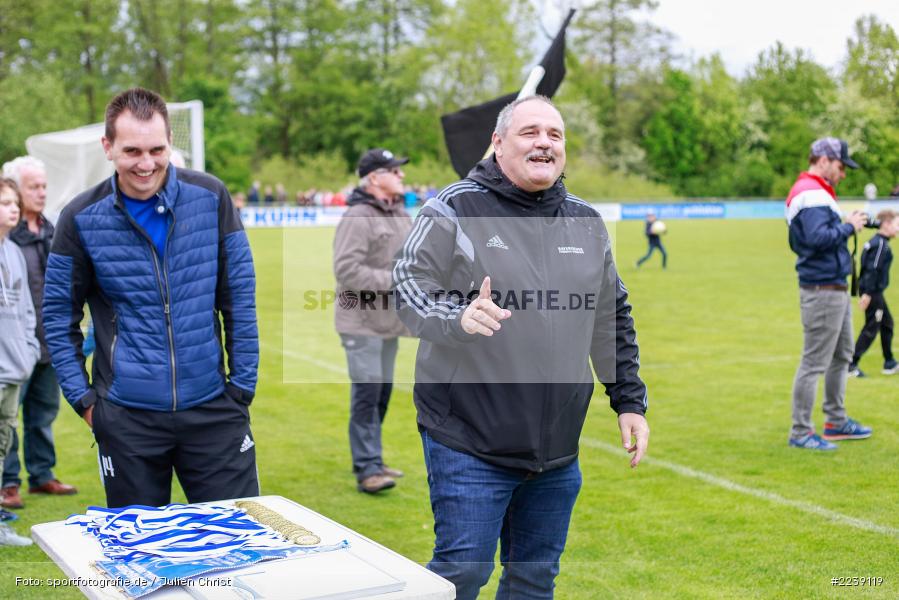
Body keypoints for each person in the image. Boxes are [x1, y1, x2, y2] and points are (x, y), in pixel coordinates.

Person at [393, 96, 649, 599]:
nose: (544, 143)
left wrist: (629, 400)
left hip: (556, 449)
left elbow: (610, 315)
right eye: (530, 132)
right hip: (469, 438)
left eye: (555, 135)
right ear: (498, 143)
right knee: (460, 575)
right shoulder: (454, 206)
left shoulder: (586, 221)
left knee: (534, 580)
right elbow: (407, 282)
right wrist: (458, 315)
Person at [42, 87, 260, 507]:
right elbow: (57, 315)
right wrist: (86, 402)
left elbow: (239, 299)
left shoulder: (212, 197)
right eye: (132, 151)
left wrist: (241, 388)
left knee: (238, 547)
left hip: (214, 410)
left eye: (156, 149)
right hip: (127, 419)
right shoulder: (79, 218)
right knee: (141, 558)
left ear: (170, 143)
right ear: (108, 147)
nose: (146, 164)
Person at [786, 137, 873, 451]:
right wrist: (849, 226)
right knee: (814, 362)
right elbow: (817, 238)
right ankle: (801, 431)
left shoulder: (814, 192)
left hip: (832, 286)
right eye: (840, 166)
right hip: (822, 288)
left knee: (841, 356)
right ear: (823, 160)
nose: (843, 173)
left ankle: (835, 421)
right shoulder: (810, 193)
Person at [333, 148, 412, 494]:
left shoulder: (400, 213)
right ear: (375, 178)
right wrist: (396, 281)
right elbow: (347, 270)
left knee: (381, 394)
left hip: (388, 322)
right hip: (360, 321)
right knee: (367, 393)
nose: (402, 175)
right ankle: (368, 469)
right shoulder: (358, 216)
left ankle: (373, 459)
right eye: (394, 170)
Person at [1, 156, 77, 512]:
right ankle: (9, 482)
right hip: (13, 344)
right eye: (34, 187)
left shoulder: (51, 228)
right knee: (9, 417)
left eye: (44, 186)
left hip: (49, 339)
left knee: (43, 413)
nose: (42, 193)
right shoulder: (7, 237)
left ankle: (42, 473)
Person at [0, 178, 39, 545]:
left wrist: (29, 351)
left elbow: (26, 310)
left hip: (14, 369)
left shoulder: (13, 250)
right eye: (4, 203)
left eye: (14, 202)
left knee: (1, 446)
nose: (13, 208)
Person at [849, 210, 899, 377]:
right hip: (873, 291)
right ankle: (851, 364)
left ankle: (889, 362)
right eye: (896, 225)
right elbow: (872, 269)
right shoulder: (880, 245)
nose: (898, 229)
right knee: (872, 327)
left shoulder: (877, 242)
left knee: (887, 324)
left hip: (874, 290)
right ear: (886, 224)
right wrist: (867, 294)